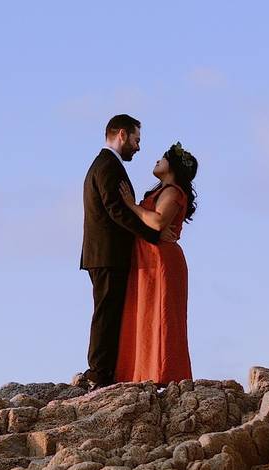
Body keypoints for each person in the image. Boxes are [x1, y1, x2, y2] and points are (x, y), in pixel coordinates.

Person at [80, 115, 178, 390]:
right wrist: (153, 235)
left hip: (105, 253)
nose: (138, 147)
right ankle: (99, 373)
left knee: (110, 311)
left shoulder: (106, 164)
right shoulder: (107, 165)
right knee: (107, 312)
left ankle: (105, 370)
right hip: (107, 254)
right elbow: (116, 209)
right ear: (121, 135)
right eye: (136, 140)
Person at [114, 141, 198, 385]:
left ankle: (164, 372)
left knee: (161, 314)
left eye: (163, 157)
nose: (157, 160)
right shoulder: (161, 191)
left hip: (162, 260)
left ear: (173, 166)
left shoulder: (173, 192)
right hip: (148, 257)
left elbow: (158, 222)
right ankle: (145, 372)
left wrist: (130, 205)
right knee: (146, 312)